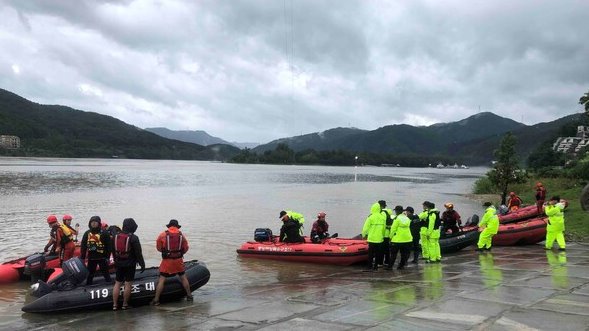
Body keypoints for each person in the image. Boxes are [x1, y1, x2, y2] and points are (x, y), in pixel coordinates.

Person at [151, 219, 192, 306]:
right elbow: (186, 248)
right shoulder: (181, 236)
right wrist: (179, 254)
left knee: (162, 279)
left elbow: (158, 248)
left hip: (167, 261)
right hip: (178, 260)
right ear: (177, 226)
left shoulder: (163, 235)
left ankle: (156, 300)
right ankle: (189, 295)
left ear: (169, 226)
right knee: (183, 277)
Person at [112, 218, 145, 310]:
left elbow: (113, 251)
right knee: (128, 284)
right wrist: (142, 264)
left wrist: (116, 261)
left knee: (117, 283)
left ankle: (114, 305)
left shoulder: (115, 236)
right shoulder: (134, 237)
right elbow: (138, 253)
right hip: (130, 264)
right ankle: (125, 304)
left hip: (119, 263)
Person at [80, 216, 112, 285]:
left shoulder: (104, 233)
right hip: (91, 258)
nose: (93, 223)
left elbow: (109, 246)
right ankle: (88, 285)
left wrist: (108, 257)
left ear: (99, 223)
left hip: (102, 258)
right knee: (90, 274)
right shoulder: (87, 233)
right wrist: (82, 257)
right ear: (90, 223)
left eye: (95, 222)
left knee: (106, 273)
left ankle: (109, 285)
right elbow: (83, 246)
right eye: (92, 222)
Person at [361, 202, 386, 270]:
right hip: (379, 238)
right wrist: (382, 235)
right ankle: (375, 267)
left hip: (372, 238)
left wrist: (363, 235)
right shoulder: (382, 217)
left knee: (371, 254)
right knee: (378, 253)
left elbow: (365, 228)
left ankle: (369, 267)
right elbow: (384, 228)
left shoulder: (370, 217)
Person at [387, 205, 413, 270]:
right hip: (407, 239)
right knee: (404, 254)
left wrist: (390, 237)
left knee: (393, 254)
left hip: (397, 240)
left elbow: (393, 229)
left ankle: (390, 267)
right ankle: (401, 266)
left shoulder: (396, 218)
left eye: (395, 210)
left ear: (397, 211)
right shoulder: (407, 218)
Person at [379, 200, 393, 267]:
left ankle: (380, 262)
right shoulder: (389, 212)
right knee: (387, 249)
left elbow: (383, 223)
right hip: (388, 233)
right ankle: (387, 261)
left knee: (381, 249)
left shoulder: (382, 213)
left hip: (383, 233)